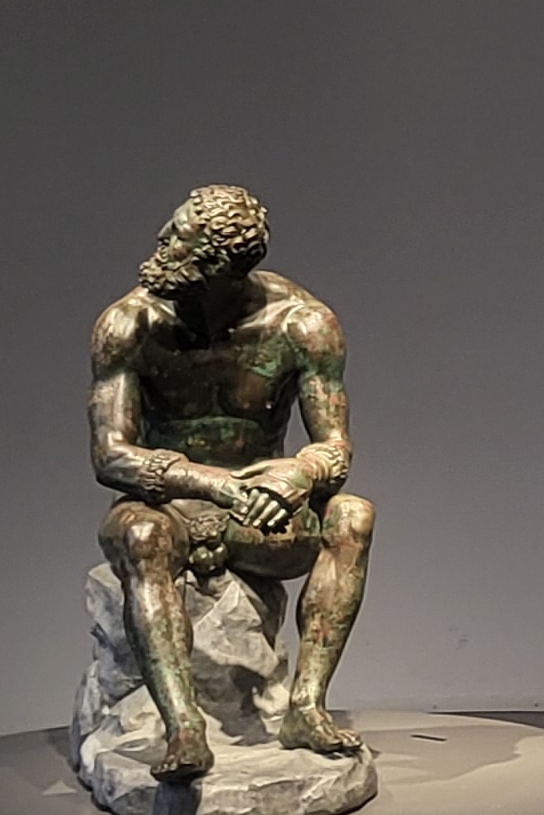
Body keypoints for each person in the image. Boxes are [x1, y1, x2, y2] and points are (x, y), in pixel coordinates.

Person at [88, 184, 372, 781]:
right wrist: (211, 484)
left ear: (218, 265)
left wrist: (298, 474)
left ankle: (305, 707)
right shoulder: (129, 325)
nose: (160, 244)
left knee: (352, 517)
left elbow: (335, 445)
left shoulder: (302, 324)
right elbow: (110, 455)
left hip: (259, 513)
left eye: (177, 240)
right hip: (167, 507)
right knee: (142, 537)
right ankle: (184, 729)